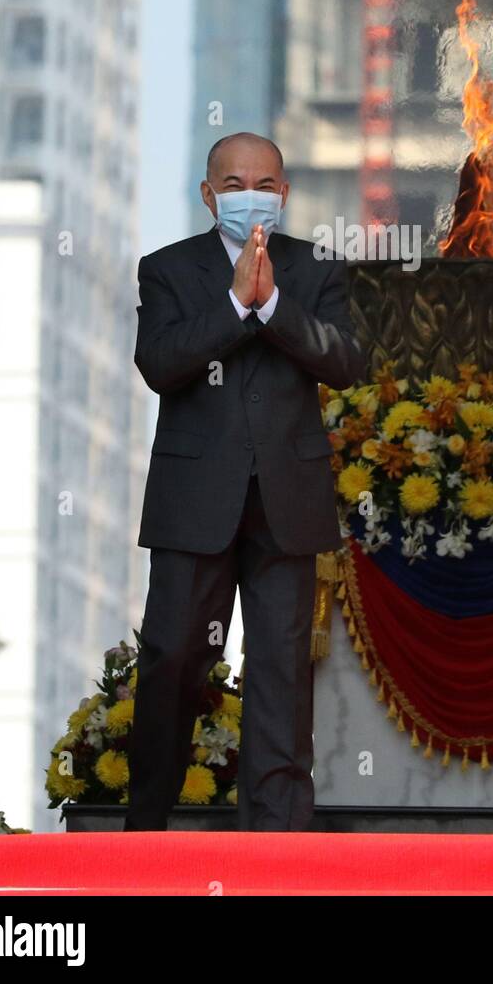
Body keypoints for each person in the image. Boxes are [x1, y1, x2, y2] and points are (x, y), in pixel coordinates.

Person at [123, 132, 367, 831]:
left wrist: (272, 310)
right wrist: (233, 309)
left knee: (283, 670)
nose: (249, 195)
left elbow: (348, 361)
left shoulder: (317, 269)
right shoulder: (166, 269)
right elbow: (160, 363)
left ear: (284, 194)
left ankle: (278, 839)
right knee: (173, 659)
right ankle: (146, 827)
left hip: (286, 502)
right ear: (208, 195)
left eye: (264, 183)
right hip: (193, 501)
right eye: (233, 183)